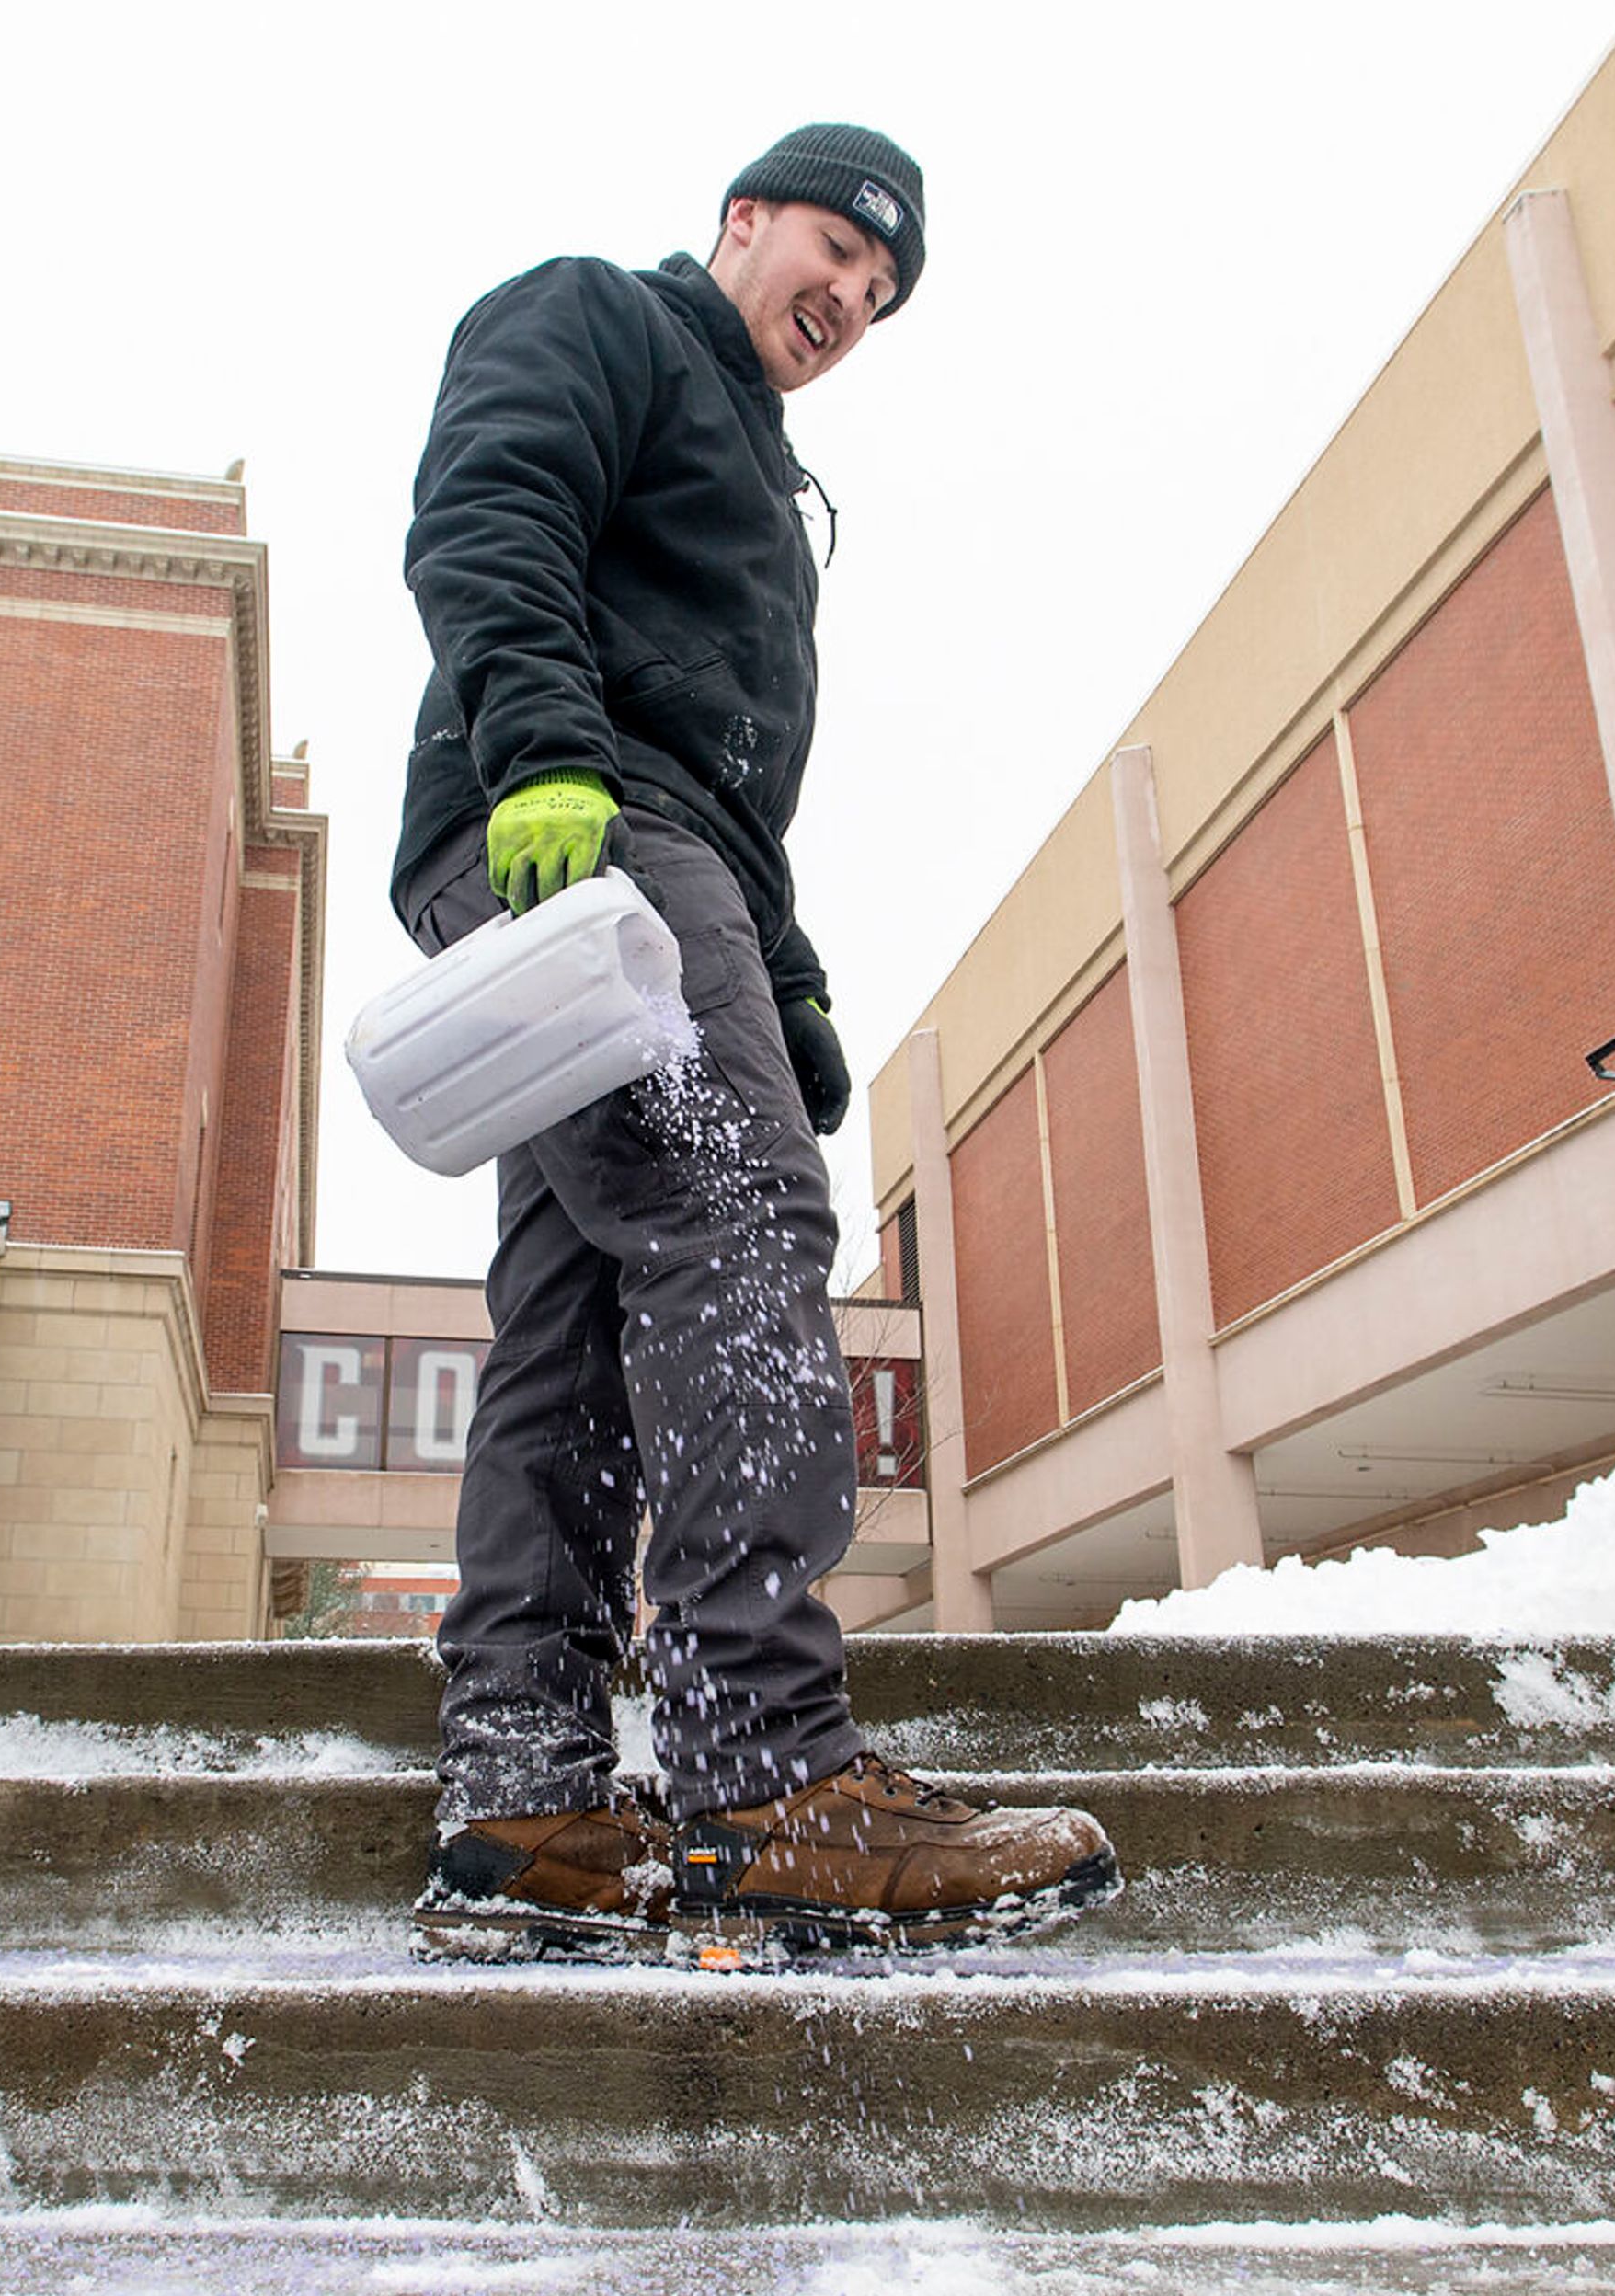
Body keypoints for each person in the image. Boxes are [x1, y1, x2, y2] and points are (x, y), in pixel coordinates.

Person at [392, 125, 1117, 1961]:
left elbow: (738, 798)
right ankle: (769, 1771)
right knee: (740, 1219)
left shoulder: (771, 495)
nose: (850, 300)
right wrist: (546, 748)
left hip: (659, 845)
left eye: (881, 295)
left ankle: (530, 1790)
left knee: (577, 1300)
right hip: (578, 822)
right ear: (742, 220)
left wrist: (784, 988)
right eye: (835, 250)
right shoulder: (606, 324)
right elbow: (487, 508)